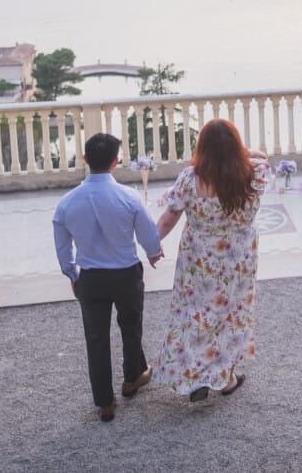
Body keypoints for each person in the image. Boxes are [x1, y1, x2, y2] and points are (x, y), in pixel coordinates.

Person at [52, 132, 164, 423]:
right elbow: (148, 234)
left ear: (85, 159)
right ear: (116, 162)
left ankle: (105, 402)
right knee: (131, 326)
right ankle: (132, 379)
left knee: (96, 338)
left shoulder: (67, 203)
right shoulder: (129, 197)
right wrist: (154, 252)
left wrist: (72, 274)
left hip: (90, 277)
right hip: (126, 274)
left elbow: (63, 249)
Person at [154, 118, 268, 402]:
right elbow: (261, 156)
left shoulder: (189, 179)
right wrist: (239, 152)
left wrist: (152, 245)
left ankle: (195, 375)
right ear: (237, 146)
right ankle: (225, 379)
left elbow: (168, 218)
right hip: (238, 260)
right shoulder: (254, 174)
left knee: (194, 313)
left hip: (199, 260)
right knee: (230, 314)